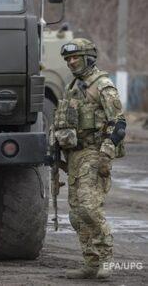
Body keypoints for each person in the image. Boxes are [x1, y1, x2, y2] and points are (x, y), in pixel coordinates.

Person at [52, 38, 126, 279]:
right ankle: (90, 263)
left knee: (89, 208)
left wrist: (105, 154)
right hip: (74, 155)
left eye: (76, 57)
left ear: (89, 58)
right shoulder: (73, 86)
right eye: (69, 59)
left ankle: (107, 260)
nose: (72, 62)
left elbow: (118, 123)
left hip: (94, 153)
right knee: (76, 213)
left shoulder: (102, 85)